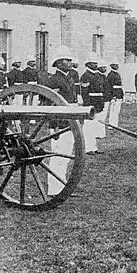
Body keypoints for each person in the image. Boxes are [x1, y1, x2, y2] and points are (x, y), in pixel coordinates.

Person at [44, 46, 77, 195]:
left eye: (70, 60)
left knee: (65, 156)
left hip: (69, 122)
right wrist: (55, 126)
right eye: (66, 60)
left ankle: (61, 186)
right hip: (60, 123)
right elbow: (51, 104)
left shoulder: (68, 78)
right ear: (58, 63)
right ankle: (54, 189)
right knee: (58, 155)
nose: (70, 62)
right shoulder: (54, 80)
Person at [80, 53, 106, 155]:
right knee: (88, 127)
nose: (95, 65)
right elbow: (85, 93)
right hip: (91, 103)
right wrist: (88, 106)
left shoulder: (98, 75)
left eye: (96, 63)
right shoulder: (85, 76)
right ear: (88, 64)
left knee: (95, 127)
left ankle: (94, 147)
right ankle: (87, 148)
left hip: (98, 103)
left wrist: (101, 103)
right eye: (93, 63)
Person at [106, 58, 124, 128]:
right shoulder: (110, 75)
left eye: (117, 65)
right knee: (113, 110)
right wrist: (112, 96)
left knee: (117, 110)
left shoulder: (117, 74)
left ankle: (115, 124)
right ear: (112, 65)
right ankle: (111, 124)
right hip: (114, 95)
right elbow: (109, 87)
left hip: (119, 94)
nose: (117, 66)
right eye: (115, 65)